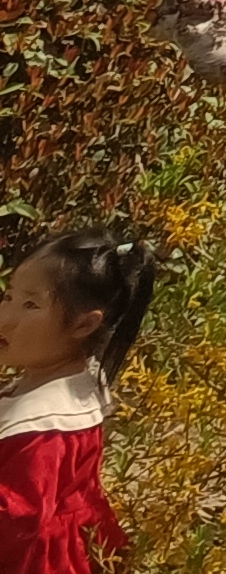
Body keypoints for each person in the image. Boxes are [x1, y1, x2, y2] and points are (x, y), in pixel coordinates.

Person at [0, 228, 155, 572]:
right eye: (9, 296)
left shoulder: (46, 425)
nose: (5, 317)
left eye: (30, 304)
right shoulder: (64, 382)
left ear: (84, 324)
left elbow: (14, 521)